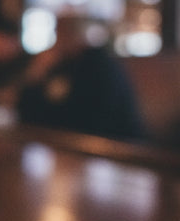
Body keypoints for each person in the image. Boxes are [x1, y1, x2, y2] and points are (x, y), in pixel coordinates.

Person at [16, 14, 147, 142]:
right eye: (57, 32)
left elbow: (91, 120)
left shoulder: (100, 65)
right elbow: (27, 114)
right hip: (70, 145)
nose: (56, 39)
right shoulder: (57, 64)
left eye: (62, 32)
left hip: (116, 148)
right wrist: (34, 75)